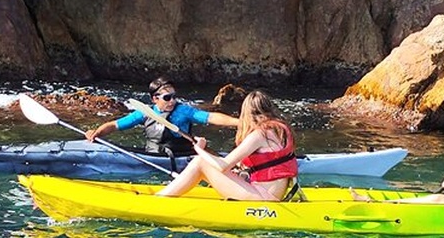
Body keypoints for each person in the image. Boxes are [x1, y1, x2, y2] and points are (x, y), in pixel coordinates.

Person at [155, 90, 301, 201]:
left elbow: (223, 165)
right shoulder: (281, 129)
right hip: (275, 193)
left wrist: (199, 149)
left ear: (247, 113)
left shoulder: (259, 134)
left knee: (200, 162)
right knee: (215, 165)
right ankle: (167, 193)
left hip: (263, 198)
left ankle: (161, 199)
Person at [85, 76, 238, 155]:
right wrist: (97, 132)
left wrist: (239, 122)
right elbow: (114, 125)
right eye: (167, 98)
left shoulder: (183, 111)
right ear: (154, 99)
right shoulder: (144, 113)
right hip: (152, 155)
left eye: (173, 96)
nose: (172, 101)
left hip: (181, 155)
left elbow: (211, 117)